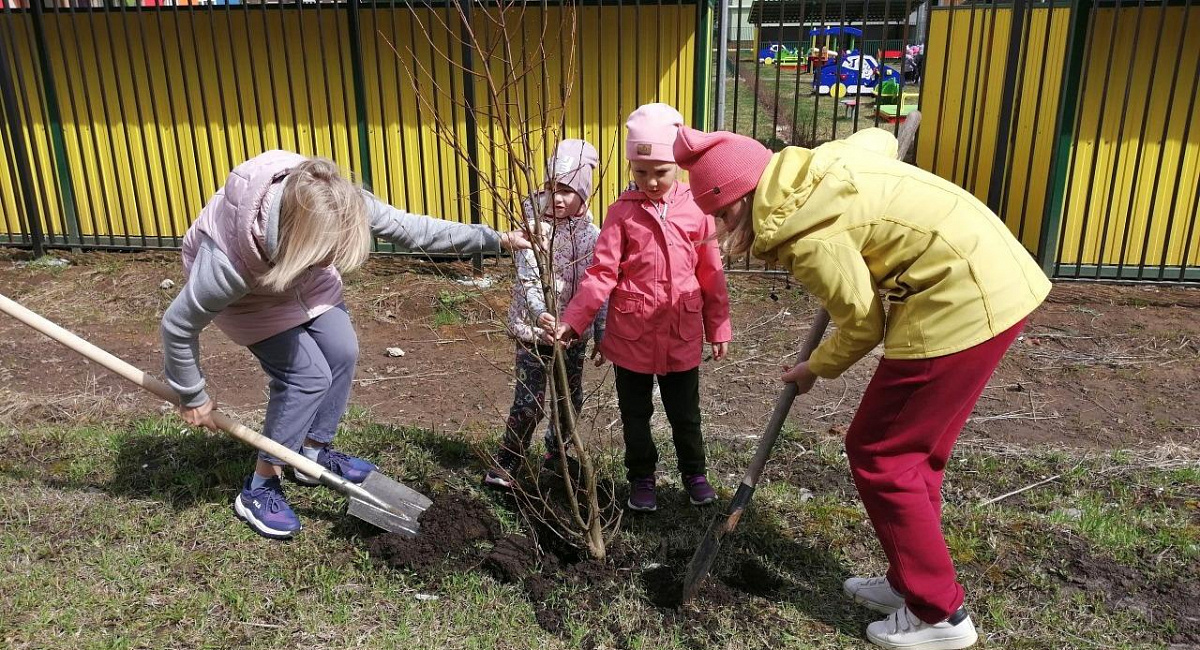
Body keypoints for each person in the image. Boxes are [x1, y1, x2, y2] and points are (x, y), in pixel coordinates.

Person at [672, 126, 1051, 650]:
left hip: (959, 298)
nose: (721, 228)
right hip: (994, 271)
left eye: (719, 216)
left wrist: (813, 369)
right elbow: (877, 140)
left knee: (881, 455)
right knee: (913, 455)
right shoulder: (820, 165)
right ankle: (909, 580)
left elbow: (863, 324)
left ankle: (939, 616)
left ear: (737, 203)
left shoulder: (810, 237)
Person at [161, 150, 528, 540]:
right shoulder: (226, 267)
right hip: (253, 298)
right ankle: (261, 485)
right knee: (307, 377)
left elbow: (411, 229)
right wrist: (192, 394)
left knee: (342, 351)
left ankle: (312, 453)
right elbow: (178, 326)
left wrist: (497, 239)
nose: (339, 258)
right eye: (332, 252)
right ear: (305, 244)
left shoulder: (336, 202)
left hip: (306, 277)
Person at [548, 103, 733, 512]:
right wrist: (573, 321)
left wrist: (717, 326)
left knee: (685, 415)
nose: (650, 181)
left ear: (679, 165)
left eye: (661, 171)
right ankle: (642, 478)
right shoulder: (622, 213)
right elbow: (601, 274)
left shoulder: (697, 209)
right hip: (631, 339)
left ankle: (694, 473)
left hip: (681, 337)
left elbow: (711, 273)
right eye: (640, 171)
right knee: (635, 417)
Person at [483, 139, 608, 489]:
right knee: (530, 402)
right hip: (533, 332)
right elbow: (529, 277)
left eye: (567, 190)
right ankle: (506, 461)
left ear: (583, 194)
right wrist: (541, 315)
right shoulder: (534, 227)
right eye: (551, 188)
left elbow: (597, 286)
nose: (556, 198)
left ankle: (557, 453)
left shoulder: (593, 237)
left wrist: (600, 331)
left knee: (570, 400)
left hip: (572, 336)